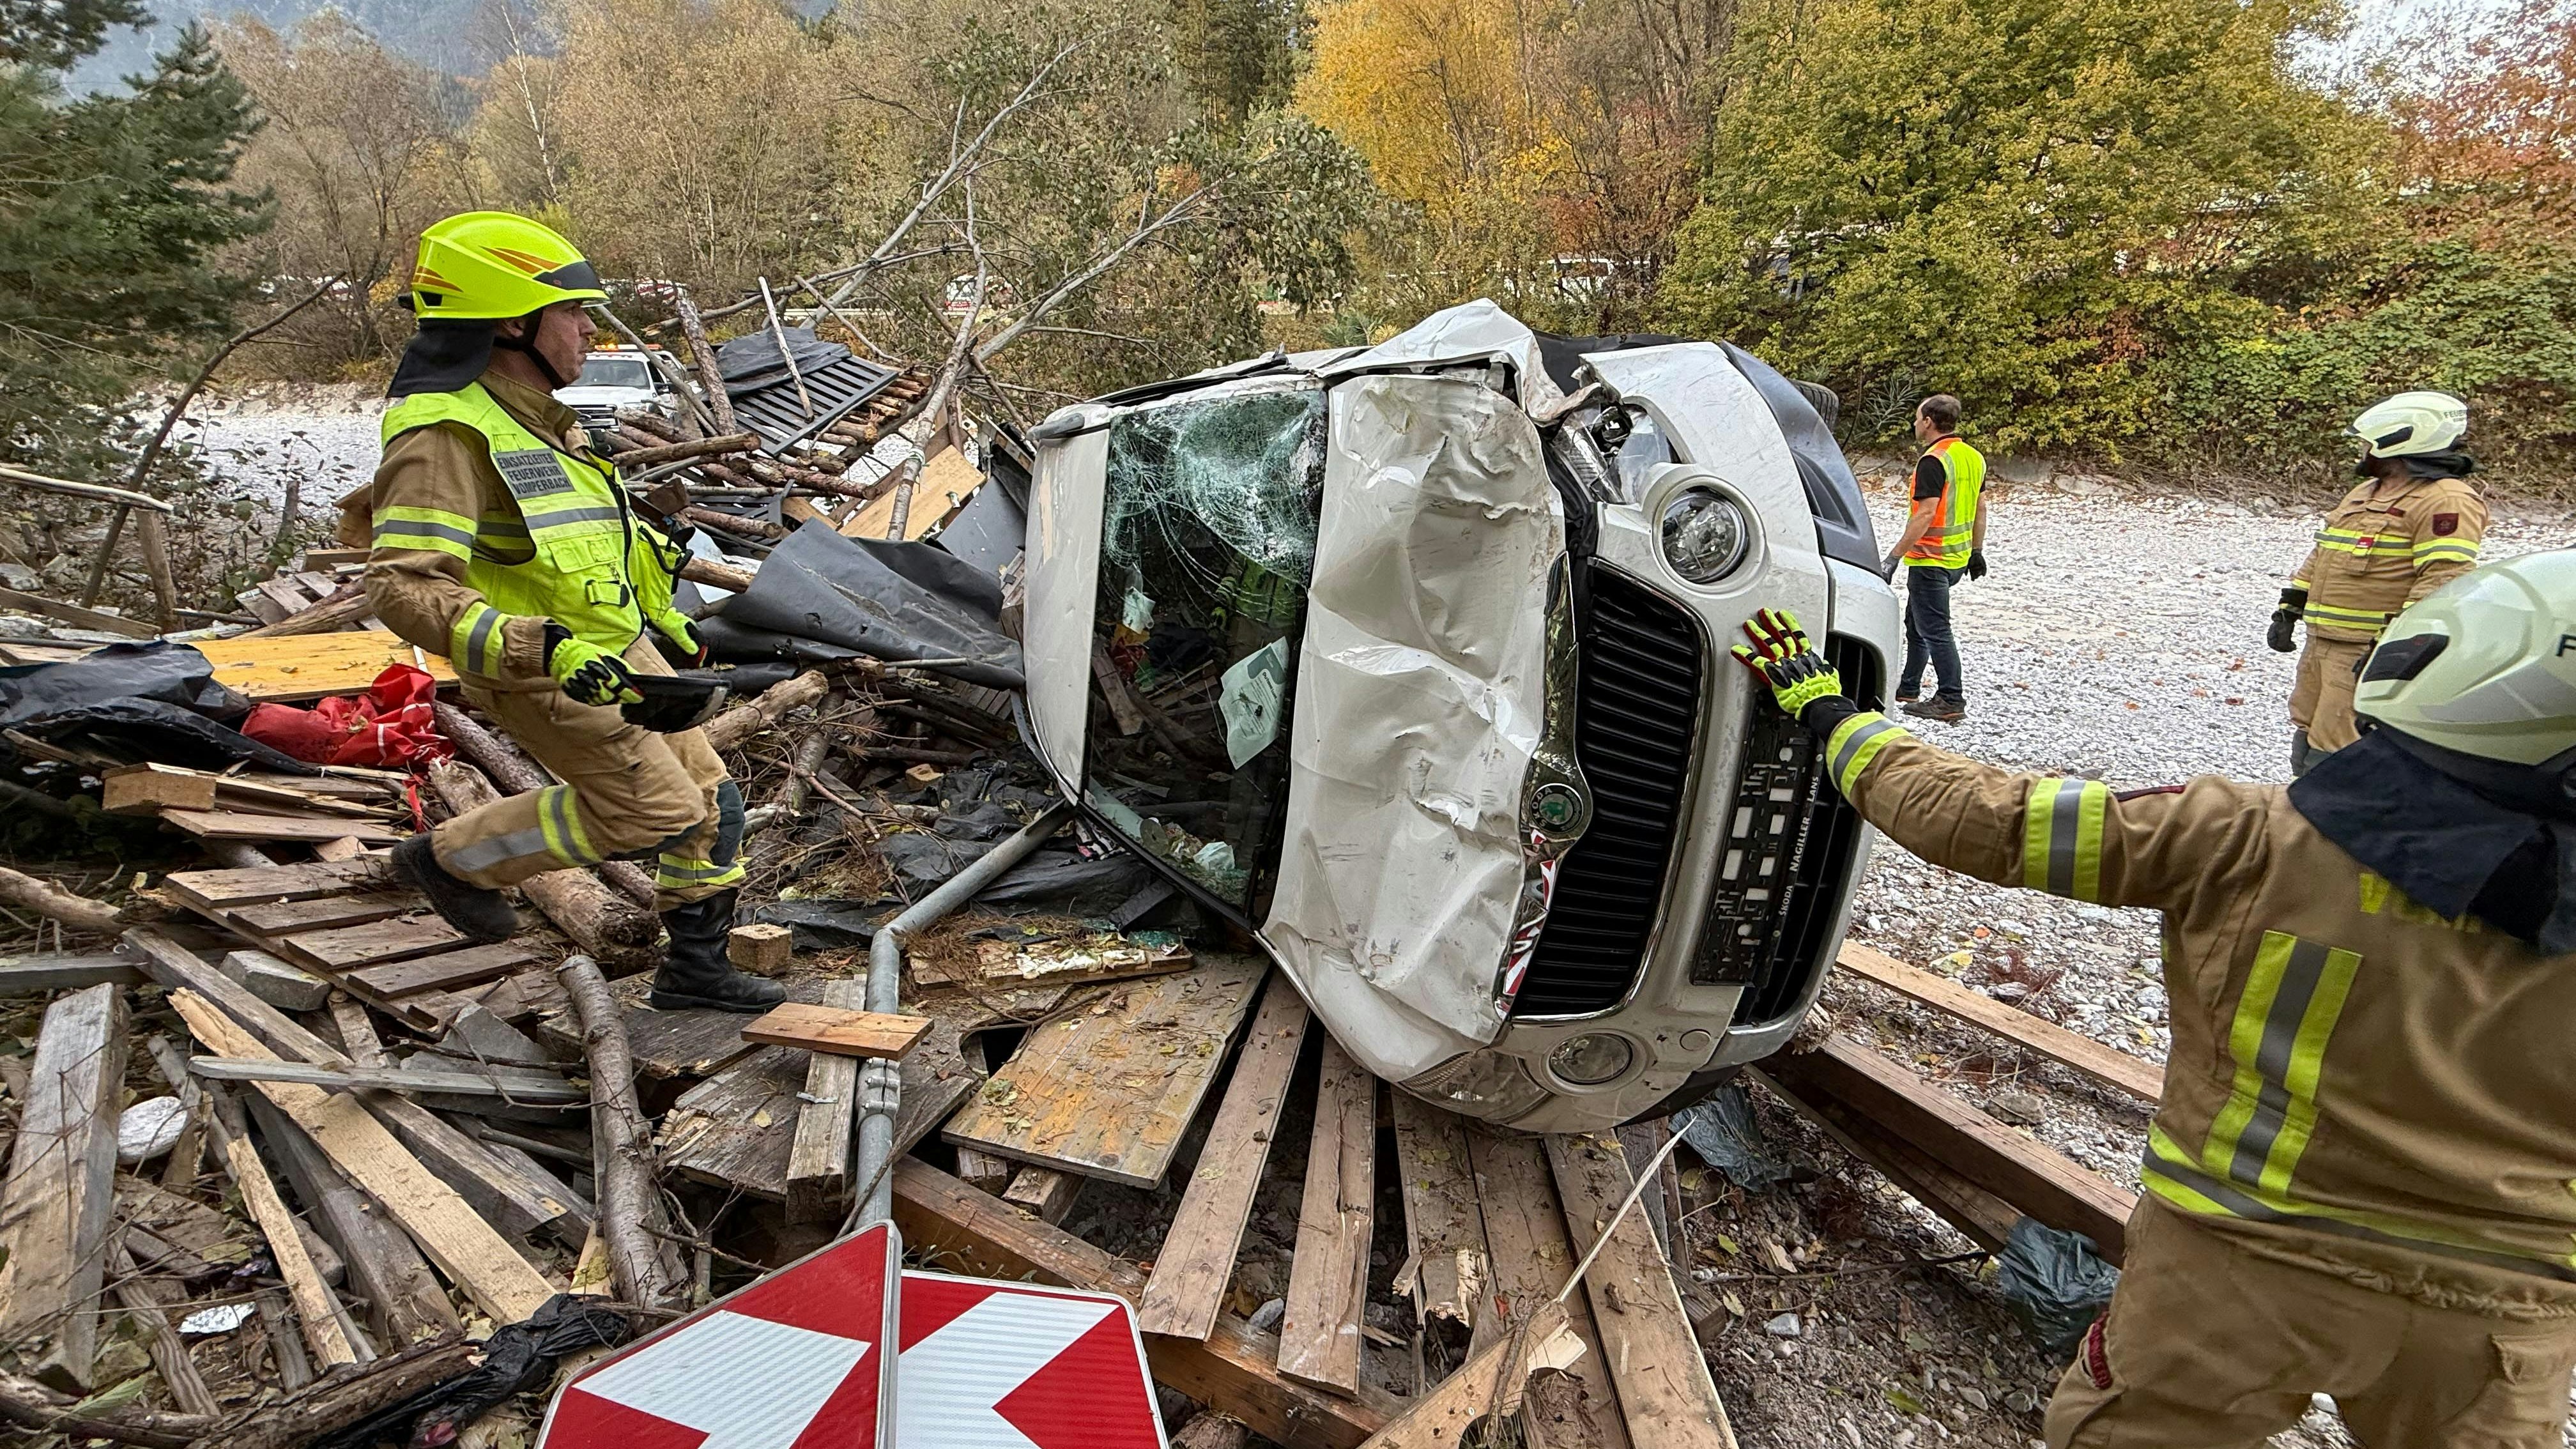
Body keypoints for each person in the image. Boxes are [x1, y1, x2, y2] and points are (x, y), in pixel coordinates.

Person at [1731, 551, 2576, 1448]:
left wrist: (1831, 713)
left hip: (2237, 1268)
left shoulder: (2251, 839)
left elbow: (1982, 819)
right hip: (2504, 1313)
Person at [358, 211, 783, 1013]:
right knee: (652, 813)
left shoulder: (545, 423)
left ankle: (696, 972)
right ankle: (450, 858)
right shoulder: (446, 436)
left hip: (617, 649)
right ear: (511, 322)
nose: (590, 328)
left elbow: (591, 545)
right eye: (574, 312)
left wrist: (665, 617)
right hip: (543, 669)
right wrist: (540, 649)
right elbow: (401, 586)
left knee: (714, 804)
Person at [2273, 390, 2487, 777]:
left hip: (2365, 648)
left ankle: (2331, 824)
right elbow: (2325, 551)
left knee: (2340, 741)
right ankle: (2300, 810)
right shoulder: (2365, 493)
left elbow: (2443, 577)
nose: (2364, 452)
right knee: (2307, 722)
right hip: (2323, 640)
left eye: (2369, 444)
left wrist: (2396, 643)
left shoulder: (2446, 500)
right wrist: (2291, 604)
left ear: (2399, 442)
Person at [1884, 394, 1986, 723]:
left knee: (1936, 630)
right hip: (1957, 560)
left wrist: (1893, 556)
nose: (1915, 424)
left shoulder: (1933, 461)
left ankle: (1950, 698)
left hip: (1931, 560)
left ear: (1928, 422)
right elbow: (1980, 508)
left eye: (1917, 418)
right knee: (1917, 623)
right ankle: (1909, 687)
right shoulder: (1973, 457)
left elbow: (1925, 514)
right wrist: (1977, 552)